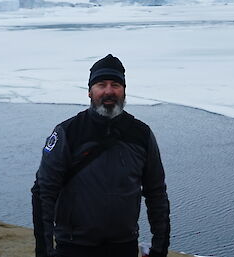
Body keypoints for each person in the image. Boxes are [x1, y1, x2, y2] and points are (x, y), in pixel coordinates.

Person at [31, 54, 170, 257]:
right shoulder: (68, 133)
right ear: (89, 92)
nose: (108, 91)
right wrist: (44, 252)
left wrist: (160, 249)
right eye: (101, 84)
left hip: (124, 247)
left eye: (115, 84)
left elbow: (157, 193)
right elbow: (44, 193)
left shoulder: (141, 134)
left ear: (124, 91)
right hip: (74, 247)